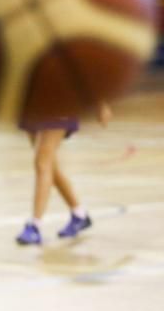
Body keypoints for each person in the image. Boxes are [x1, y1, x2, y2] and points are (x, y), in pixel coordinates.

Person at [15, 105, 110, 245]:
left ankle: (35, 226)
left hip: (60, 102)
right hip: (33, 103)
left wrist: (100, 104)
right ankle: (79, 214)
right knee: (48, 165)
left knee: (42, 163)